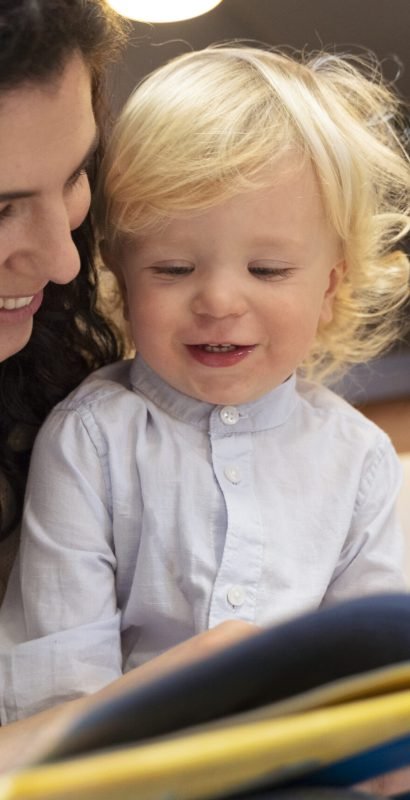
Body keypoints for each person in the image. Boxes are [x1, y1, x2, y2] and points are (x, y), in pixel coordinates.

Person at [1, 43, 409, 725]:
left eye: (269, 270)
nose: (219, 300)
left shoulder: (361, 463)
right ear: (120, 278)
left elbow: (375, 665)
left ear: (331, 287)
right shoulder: (91, 439)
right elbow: (58, 676)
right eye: (173, 269)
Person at [0, 3, 255, 765]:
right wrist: (128, 716)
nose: (64, 260)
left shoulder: (60, 378)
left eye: (76, 175)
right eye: (1, 207)